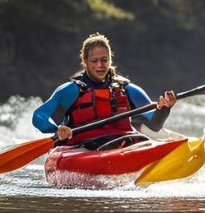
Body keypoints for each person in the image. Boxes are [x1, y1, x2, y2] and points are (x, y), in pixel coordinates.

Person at [32, 33, 177, 150]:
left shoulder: (128, 90)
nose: (100, 65)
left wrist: (164, 108)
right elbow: (39, 116)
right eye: (94, 60)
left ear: (110, 60)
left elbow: (154, 125)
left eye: (104, 60)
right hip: (82, 147)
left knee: (138, 140)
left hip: (123, 142)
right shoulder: (71, 90)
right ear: (85, 61)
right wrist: (57, 130)